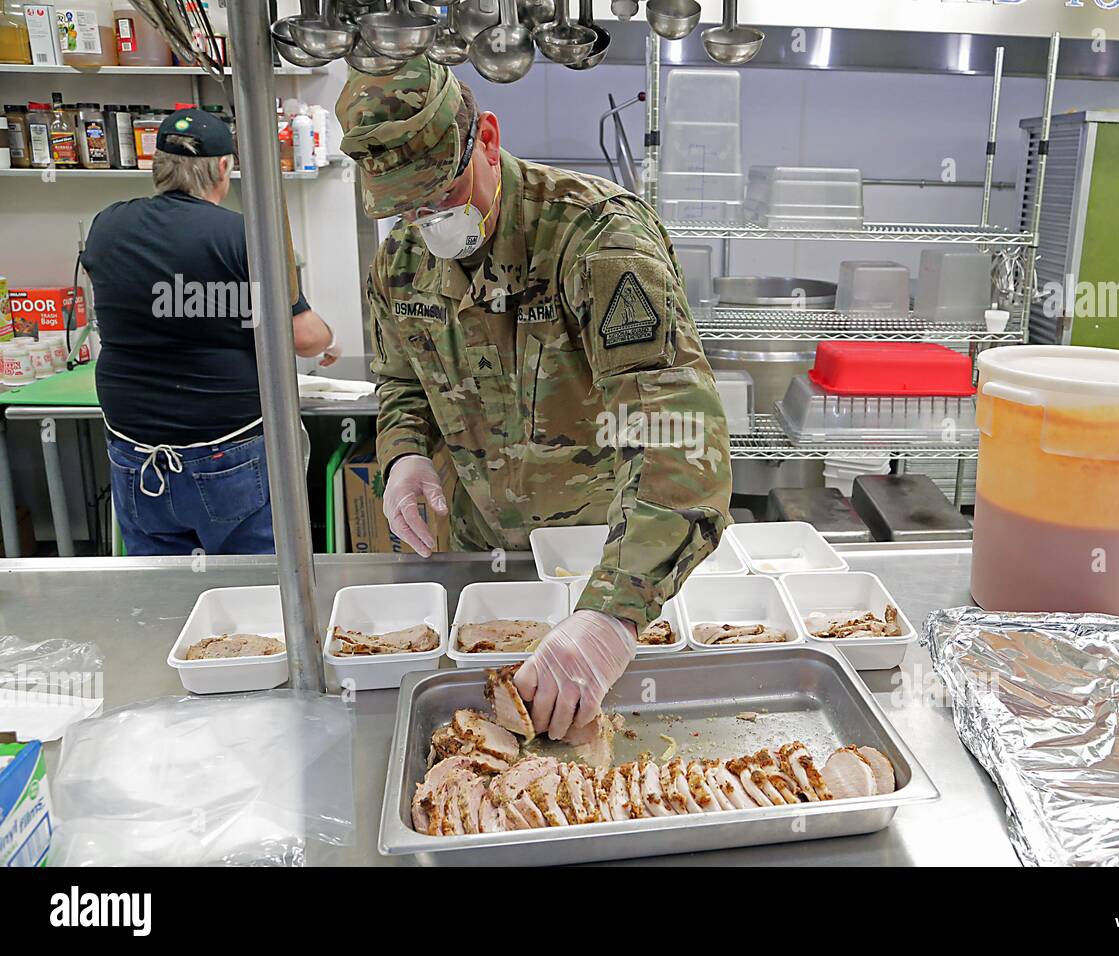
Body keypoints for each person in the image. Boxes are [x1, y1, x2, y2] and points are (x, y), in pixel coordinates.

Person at [338, 61, 732, 739]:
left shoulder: (598, 240)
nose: (428, 220)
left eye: (442, 192)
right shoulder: (400, 263)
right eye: (407, 207)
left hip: (604, 564)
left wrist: (611, 618)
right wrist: (405, 455)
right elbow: (402, 380)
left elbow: (678, 436)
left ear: (487, 139)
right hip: (480, 567)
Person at [82, 108, 341, 556]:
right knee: (255, 590)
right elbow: (303, 338)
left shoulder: (107, 226)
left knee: (166, 594)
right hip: (226, 452)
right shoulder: (242, 235)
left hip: (135, 451)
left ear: (156, 165)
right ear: (224, 167)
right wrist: (328, 337)